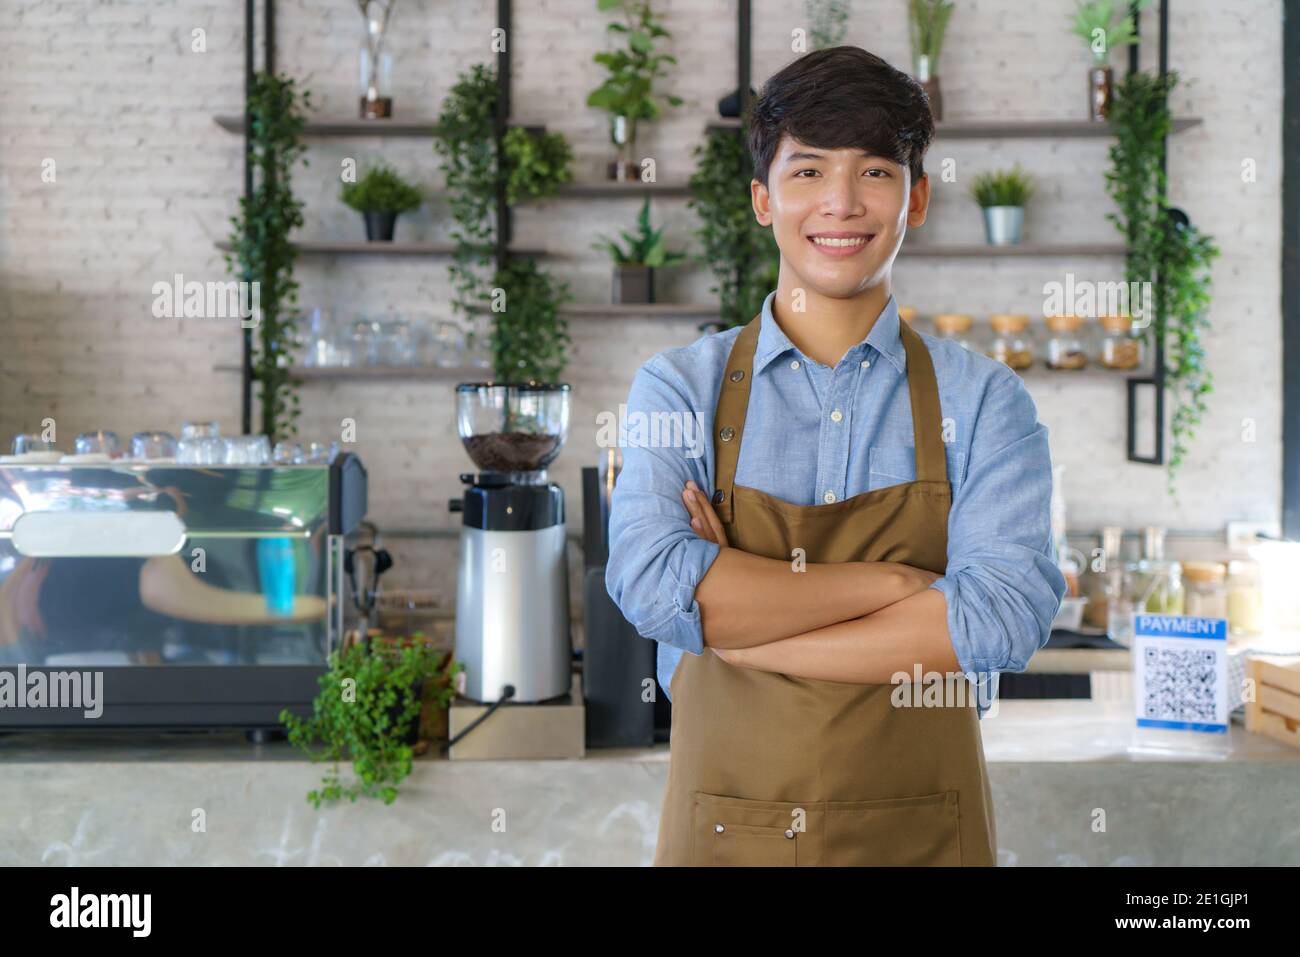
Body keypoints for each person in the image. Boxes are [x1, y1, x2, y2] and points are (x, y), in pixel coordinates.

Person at [605, 46, 1067, 867]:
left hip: (926, 836)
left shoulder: (988, 402)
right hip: (726, 834)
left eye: (876, 173)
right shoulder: (678, 390)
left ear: (916, 197)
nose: (842, 204)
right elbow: (649, 580)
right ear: (762, 198)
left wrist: (741, 633)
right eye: (809, 171)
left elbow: (998, 617)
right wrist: (899, 586)